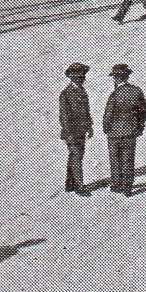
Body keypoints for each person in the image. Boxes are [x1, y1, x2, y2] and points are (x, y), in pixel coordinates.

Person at [102, 64, 146, 195]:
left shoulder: (114, 94)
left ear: (116, 78)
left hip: (114, 132)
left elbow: (108, 114)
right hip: (130, 131)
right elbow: (145, 109)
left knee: (115, 159)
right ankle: (128, 187)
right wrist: (139, 124)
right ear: (127, 77)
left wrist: (106, 127)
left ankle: (117, 184)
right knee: (128, 158)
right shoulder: (136, 91)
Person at [58, 63, 93, 194]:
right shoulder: (66, 94)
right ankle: (80, 186)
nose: (82, 79)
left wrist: (89, 126)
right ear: (72, 77)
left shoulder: (82, 91)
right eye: (79, 77)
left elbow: (86, 111)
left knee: (75, 156)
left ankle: (70, 184)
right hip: (72, 132)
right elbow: (64, 116)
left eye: (83, 76)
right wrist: (68, 133)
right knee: (77, 157)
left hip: (81, 130)